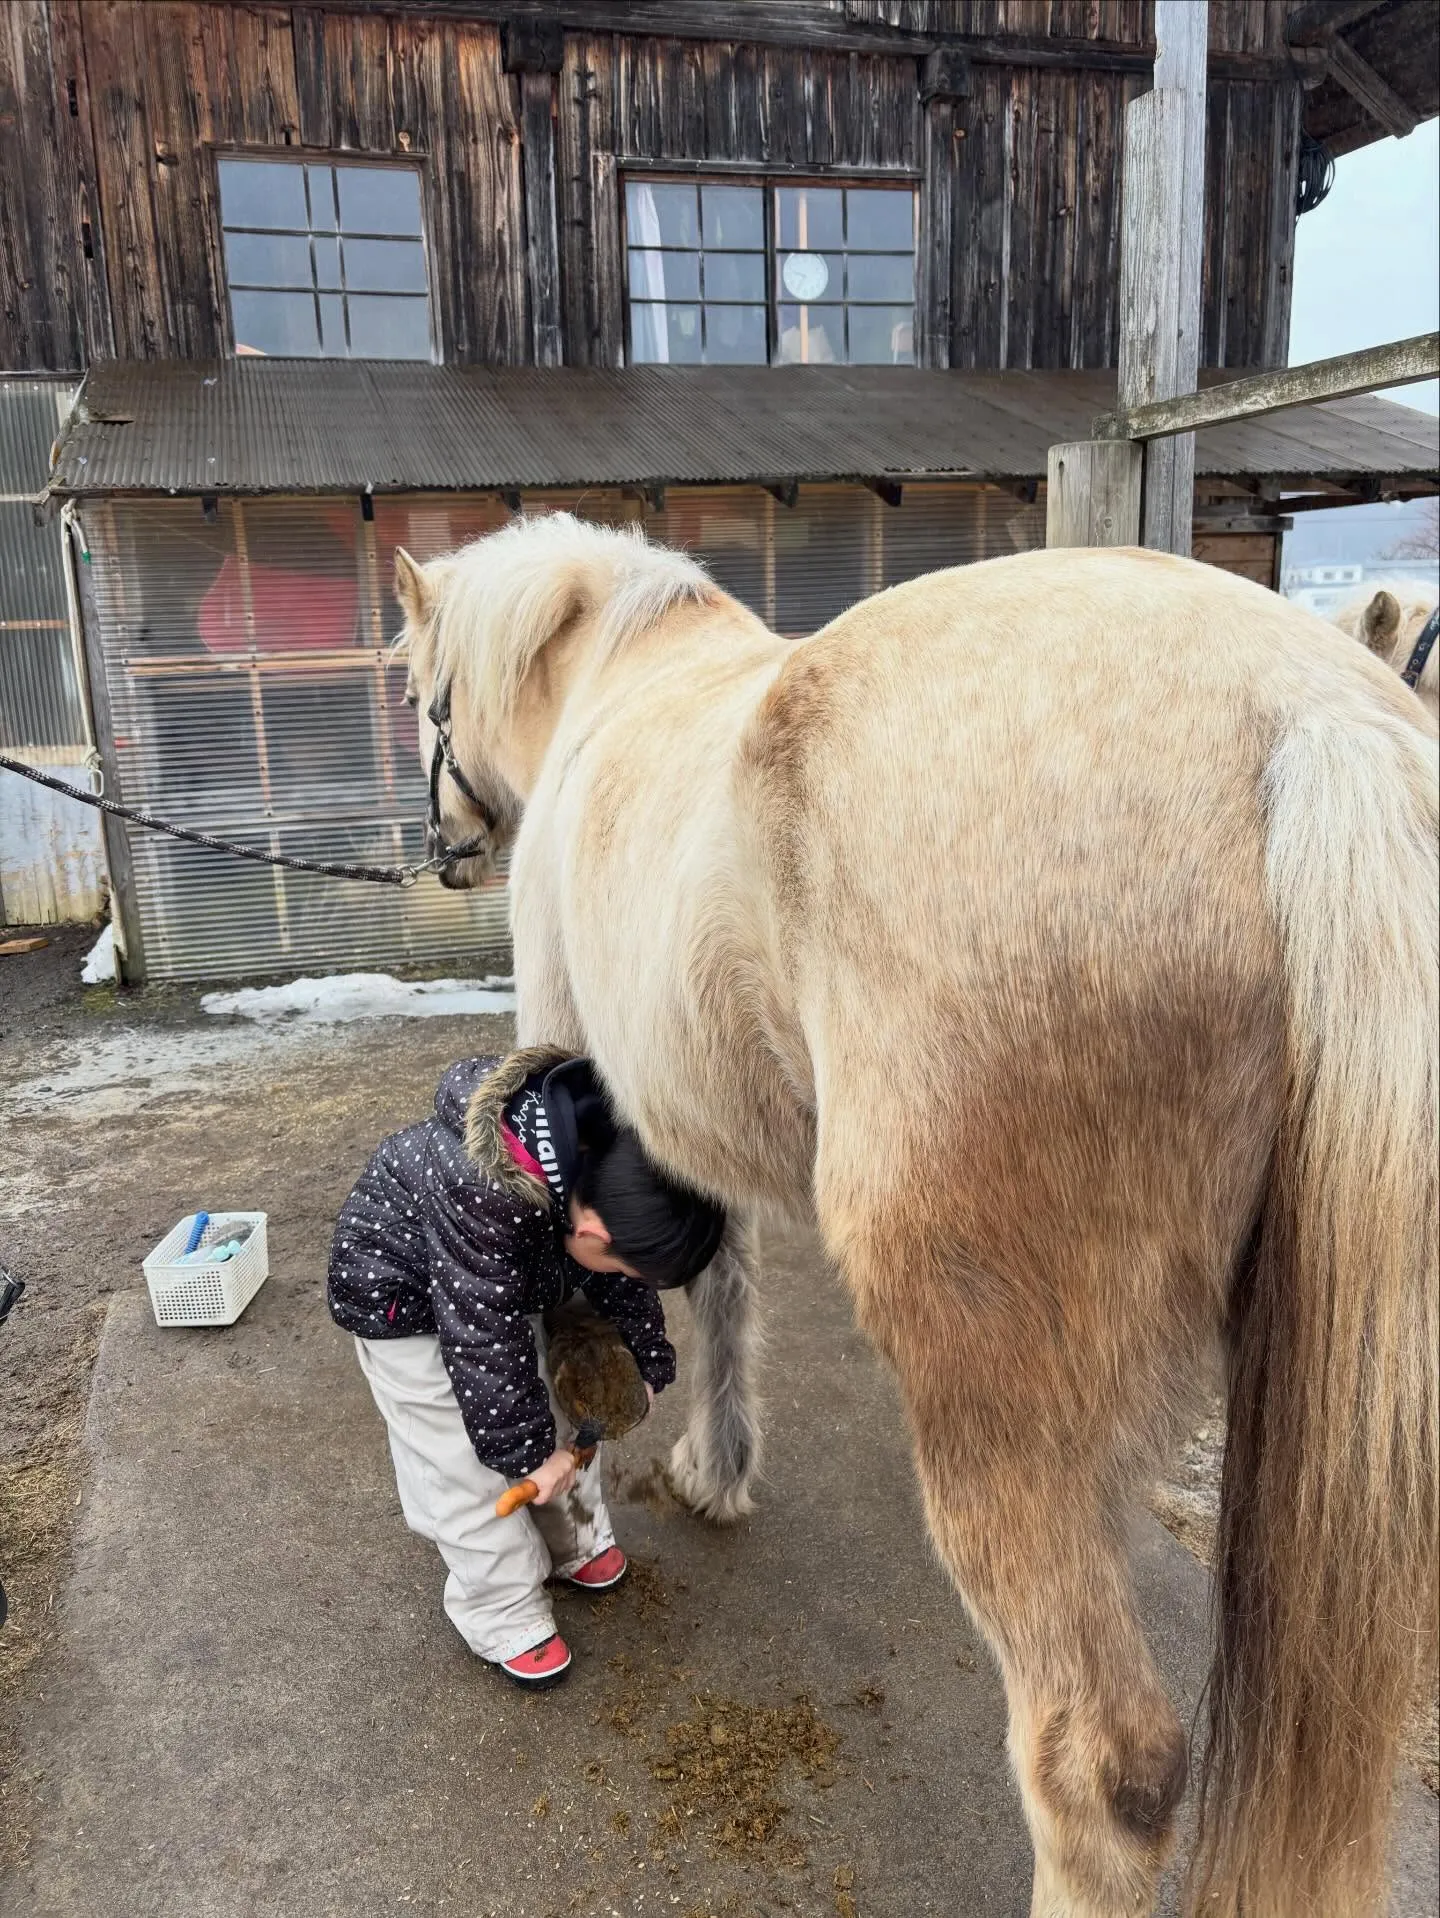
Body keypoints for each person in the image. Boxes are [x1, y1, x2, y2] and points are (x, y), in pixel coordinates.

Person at [327, 1045, 725, 1688]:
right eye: (623, 1263)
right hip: (405, 1302)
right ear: (593, 1230)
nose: (629, 1279)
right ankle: (503, 1609)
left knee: (547, 1403)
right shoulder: (483, 1185)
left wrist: (648, 1362)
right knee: (465, 1457)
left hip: (503, 1278)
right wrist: (525, 1456)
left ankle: (574, 1542)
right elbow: (480, 1337)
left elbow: (625, 1283)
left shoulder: (615, 1162)